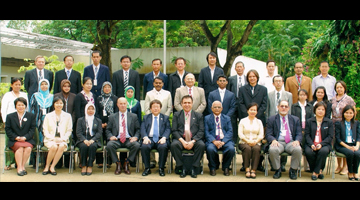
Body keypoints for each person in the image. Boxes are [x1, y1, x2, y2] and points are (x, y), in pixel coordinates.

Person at [265, 100, 302, 180]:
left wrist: (297, 140)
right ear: (278, 107)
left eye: (286, 106)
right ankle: (277, 170)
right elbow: (268, 134)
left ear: (288, 108)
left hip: (291, 142)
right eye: (282, 106)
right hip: (278, 142)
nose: (284, 108)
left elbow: (299, 133)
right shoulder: (272, 119)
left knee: (298, 149)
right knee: (272, 149)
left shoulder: (295, 119)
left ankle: (293, 170)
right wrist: (273, 140)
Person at [170, 95, 205, 178]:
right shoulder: (176, 115)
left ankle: (194, 167)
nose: (187, 104)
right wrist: (183, 141)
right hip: (181, 139)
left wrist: (193, 141)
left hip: (194, 140)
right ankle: (182, 167)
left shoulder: (198, 115)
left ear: (192, 104)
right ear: (181, 104)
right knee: (174, 145)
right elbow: (174, 130)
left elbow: (201, 131)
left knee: (201, 145)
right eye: (185, 103)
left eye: (189, 102)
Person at [105, 97, 141, 175]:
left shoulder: (133, 116)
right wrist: (111, 136)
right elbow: (108, 130)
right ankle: (118, 163)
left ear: (127, 104)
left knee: (137, 145)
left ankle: (126, 163)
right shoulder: (112, 116)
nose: (122, 105)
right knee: (109, 145)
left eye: (124, 103)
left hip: (129, 139)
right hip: (116, 139)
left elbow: (138, 129)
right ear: (117, 105)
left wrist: (135, 137)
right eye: (120, 104)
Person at [1, 78, 28, 171]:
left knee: (20, 143)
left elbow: (26, 108)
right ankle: (8, 163)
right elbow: (3, 109)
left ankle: (18, 163)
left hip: (22, 122)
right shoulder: (7, 95)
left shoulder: (24, 95)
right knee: (10, 142)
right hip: (10, 121)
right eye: (16, 84)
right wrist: (5, 121)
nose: (18, 86)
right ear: (12, 85)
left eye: (19, 84)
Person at [5, 97, 36, 176]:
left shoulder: (31, 116)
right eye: (18, 105)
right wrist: (16, 137)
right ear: (15, 106)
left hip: (27, 139)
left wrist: (25, 137)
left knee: (28, 148)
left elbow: (32, 129)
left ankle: (22, 166)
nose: (21, 107)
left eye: (22, 105)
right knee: (20, 148)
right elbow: (8, 129)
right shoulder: (10, 116)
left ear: (25, 106)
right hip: (15, 140)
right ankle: (19, 168)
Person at [42, 97, 73, 175]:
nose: (59, 105)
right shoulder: (48, 116)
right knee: (54, 146)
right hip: (50, 139)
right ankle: (47, 166)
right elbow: (45, 130)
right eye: (57, 103)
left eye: (60, 103)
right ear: (54, 104)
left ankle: (52, 166)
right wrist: (53, 139)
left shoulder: (68, 116)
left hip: (62, 139)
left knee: (62, 146)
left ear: (63, 104)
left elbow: (69, 130)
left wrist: (63, 139)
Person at [331, 80, 356, 175]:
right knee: (337, 143)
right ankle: (339, 165)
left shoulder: (348, 99)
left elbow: (353, 111)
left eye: (341, 87)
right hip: (334, 123)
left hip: (344, 123)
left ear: (344, 88)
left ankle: (345, 167)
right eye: (337, 87)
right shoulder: (333, 99)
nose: (339, 89)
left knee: (344, 142)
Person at [140, 99, 171, 176]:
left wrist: (164, 137)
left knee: (163, 147)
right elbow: (142, 128)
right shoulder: (146, 117)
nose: (156, 109)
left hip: (161, 138)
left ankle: (161, 168)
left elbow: (168, 129)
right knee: (144, 147)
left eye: (157, 107)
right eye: (154, 107)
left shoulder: (165, 118)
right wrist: (145, 137)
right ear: (150, 108)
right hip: (149, 138)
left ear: (160, 108)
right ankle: (147, 168)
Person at [304, 101, 333, 180]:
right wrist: (311, 144)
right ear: (315, 110)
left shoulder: (329, 122)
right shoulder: (309, 121)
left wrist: (321, 144)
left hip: (324, 144)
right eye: (319, 109)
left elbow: (330, 136)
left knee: (323, 151)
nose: (320, 111)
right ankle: (319, 171)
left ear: (325, 111)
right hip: (311, 143)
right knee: (309, 152)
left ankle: (315, 172)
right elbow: (307, 135)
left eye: (323, 109)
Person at [204, 101, 235, 176]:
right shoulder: (207, 118)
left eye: (219, 107)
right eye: (215, 107)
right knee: (210, 149)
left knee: (231, 149)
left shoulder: (227, 118)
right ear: (211, 108)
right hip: (213, 140)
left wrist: (223, 142)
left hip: (225, 140)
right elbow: (206, 132)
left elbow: (230, 132)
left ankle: (226, 167)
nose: (217, 109)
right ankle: (213, 167)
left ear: (222, 108)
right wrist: (214, 141)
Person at [53, 79, 76, 168]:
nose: (66, 88)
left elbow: (75, 110)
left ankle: (68, 163)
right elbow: (53, 108)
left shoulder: (74, 96)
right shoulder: (56, 95)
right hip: (58, 122)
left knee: (68, 140)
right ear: (61, 87)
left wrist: (71, 120)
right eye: (64, 86)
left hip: (70, 122)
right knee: (59, 140)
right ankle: (58, 163)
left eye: (68, 86)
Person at [238, 102, 264, 179]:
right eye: (251, 109)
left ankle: (253, 170)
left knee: (256, 149)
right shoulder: (242, 121)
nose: (252, 111)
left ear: (257, 112)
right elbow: (240, 134)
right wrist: (247, 141)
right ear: (247, 111)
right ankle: (247, 169)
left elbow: (261, 135)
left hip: (256, 142)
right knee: (247, 148)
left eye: (254, 110)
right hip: (244, 142)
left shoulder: (259, 122)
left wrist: (255, 141)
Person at [75, 103, 103, 176]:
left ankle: (90, 165)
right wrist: (84, 140)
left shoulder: (98, 120)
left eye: (92, 109)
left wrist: (92, 140)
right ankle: (84, 165)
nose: (90, 111)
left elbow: (99, 133)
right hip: (82, 140)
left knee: (92, 146)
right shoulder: (80, 120)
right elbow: (78, 132)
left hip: (93, 140)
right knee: (84, 146)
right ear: (85, 110)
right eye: (89, 109)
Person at [95, 81, 118, 167]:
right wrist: (100, 123)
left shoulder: (115, 98)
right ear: (103, 89)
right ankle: (100, 161)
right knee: (100, 141)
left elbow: (116, 112)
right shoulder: (99, 98)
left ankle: (109, 161)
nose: (107, 89)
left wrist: (109, 124)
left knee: (109, 142)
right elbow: (96, 111)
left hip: (111, 124)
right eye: (105, 87)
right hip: (100, 124)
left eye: (109, 87)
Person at [335, 105, 360, 180]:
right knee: (350, 153)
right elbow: (338, 139)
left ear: (353, 114)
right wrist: (348, 147)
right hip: (342, 145)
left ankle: (355, 172)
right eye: (346, 113)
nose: (348, 115)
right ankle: (350, 172)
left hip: (354, 145)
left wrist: (357, 146)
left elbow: (359, 136)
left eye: (350, 113)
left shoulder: (356, 123)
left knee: (357, 153)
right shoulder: (338, 123)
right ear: (343, 113)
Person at [29, 79, 54, 144]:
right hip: (37, 120)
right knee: (37, 136)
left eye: (46, 84)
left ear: (48, 86)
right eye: (42, 84)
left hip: (49, 121)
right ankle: (36, 152)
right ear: (39, 86)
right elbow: (31, 109)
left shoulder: (52, 97)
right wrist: (32, 120)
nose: (44, 86)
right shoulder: (35, 96)